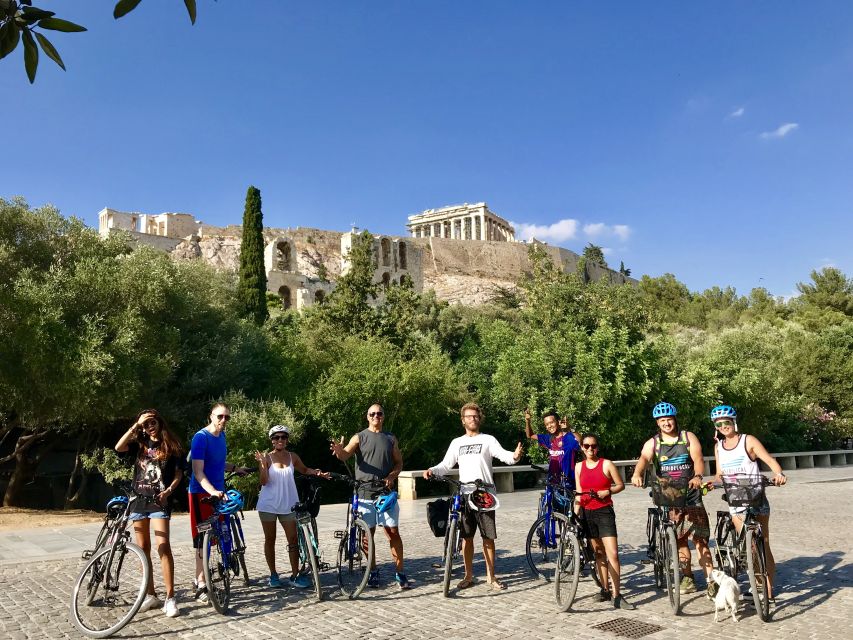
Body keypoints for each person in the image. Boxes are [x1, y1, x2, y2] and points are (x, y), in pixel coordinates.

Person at [423, 402, 523, 591]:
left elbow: (505, 456)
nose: (473, 419)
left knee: (488, 538)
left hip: (485, 495)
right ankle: (468, 575)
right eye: (469, 416)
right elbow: (446, 465)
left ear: (480, 419)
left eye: (476, 416)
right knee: (467, 538)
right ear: (463, 421)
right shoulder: (457, 443)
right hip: (465, 494)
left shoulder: (488, 440)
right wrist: (432, 470)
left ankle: (491, 576)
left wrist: (515, 456)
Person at [631, 401, 714, 596]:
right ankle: (687, 577)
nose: (666, 423)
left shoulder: (687, 437)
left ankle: (711, 580)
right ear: (657, 423)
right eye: (662, 421)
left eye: (669, 419)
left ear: (675, 420)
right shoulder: (654, 442)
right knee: (680, 539)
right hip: (669, 496)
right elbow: (644, 458)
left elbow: (698, 459)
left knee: (700, 539)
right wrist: (637, 473)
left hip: (691, 493)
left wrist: (698, 476)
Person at [330, 403, 411, 589]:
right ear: (367, 417)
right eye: (372, 414)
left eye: (379, 413)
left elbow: (399, 463)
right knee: (367, 535)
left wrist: (392, 476)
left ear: (383, 416)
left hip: (386, 494)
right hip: (365, 494)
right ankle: (372, 570)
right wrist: (339, 450)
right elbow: (344, 455)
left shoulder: (391, 438)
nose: (376, 416)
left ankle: (400, 573)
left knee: (393, 533)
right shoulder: (359, 437)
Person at [711, 404, 786, 599]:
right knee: (748, 546)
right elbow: (719, 474)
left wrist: (778, 474)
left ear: (734, 422)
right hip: (736, 501)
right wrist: (713, 483)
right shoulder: (718, 446)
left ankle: (767, 591)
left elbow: (770, 461)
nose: (723, 427)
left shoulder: (748, 441)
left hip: (756, 497)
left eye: (726, 422)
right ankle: (757, 583)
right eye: (719, 424)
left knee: (764, 544)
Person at [115, 409, 184, 618]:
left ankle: (170, 597)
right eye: (145, 424)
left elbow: (179, 474)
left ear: (159, 422)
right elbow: (119, 447)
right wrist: (136, 425)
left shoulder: (171, 445)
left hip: (159, 501)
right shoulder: (140, 443)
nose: (149, 426)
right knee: (143, 549)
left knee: (163, 547)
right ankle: (151, 594)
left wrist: (168, 491)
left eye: (152, 421)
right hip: (139, 501)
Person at [188, 402, 251, 603]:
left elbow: (217, 463)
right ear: (211, 416)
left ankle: (218, 568)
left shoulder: (221, 436)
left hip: (219, 493)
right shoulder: (201, 438)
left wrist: (235, 468)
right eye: (220, 416)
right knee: (202, 539)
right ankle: (200, 583)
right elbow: (198, 471)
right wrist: (213, 491)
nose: (223, 420)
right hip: (201, 493)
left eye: (227, 417)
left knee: (219, 533)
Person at [254, 425, 330, 589]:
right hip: (268, 505)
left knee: (293, 539)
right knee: (270, 539)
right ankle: (273, 575)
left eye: (283, 437)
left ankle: (295, 575)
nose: (280, 440)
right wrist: (261, 464)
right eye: (276, 437)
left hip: (289, 504)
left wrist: (318, 473)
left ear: (287, 439)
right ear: (272, 440)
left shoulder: (292, 456)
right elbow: (263, 482)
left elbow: (304, 469)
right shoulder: (266, 457)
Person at [575, 433, 634, 610]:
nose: (590, 449)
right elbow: (579, 493)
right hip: (587, 513)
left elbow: (620, 484)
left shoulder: (606, 464)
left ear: (597, 447)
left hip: (604, 512)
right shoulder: (578, 467)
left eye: (593, 446)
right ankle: (605, 590)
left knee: (613, 554)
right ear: (582, 448)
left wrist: (607, 492)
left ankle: (617, 595)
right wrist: (575, 514)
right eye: (586, 446)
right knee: (598, 553)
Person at [524, 408, 580, 488]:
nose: (549, 426)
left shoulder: (570, 437)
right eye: (547, 424)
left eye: (551, 422)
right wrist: (527, 421)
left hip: (569, 483)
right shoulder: (548, 438)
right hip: (552, 482)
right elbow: (530, 435)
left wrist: (570, 428)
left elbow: (582, 442)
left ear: (558, 422)